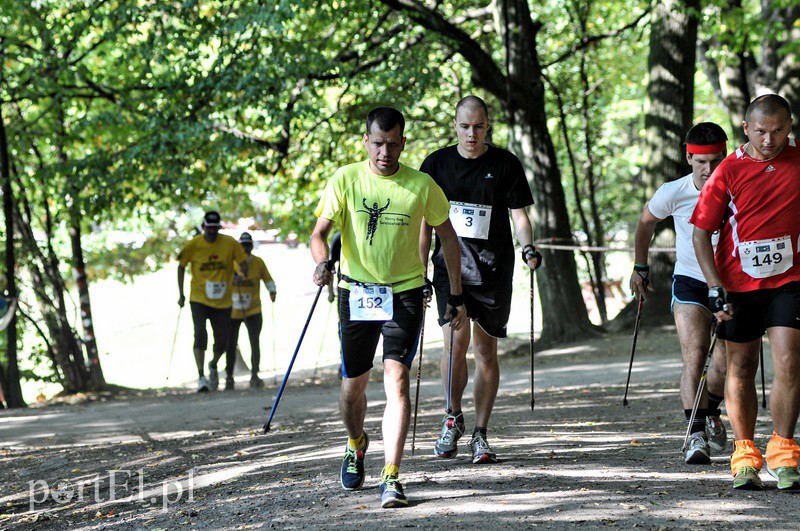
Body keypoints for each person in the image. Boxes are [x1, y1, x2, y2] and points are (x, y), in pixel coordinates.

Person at [310, 107, 467, 509]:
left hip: (405, 293)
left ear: (403, 143)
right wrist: (322, 263)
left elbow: (449, 238)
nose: (385, 152)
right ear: (366, 141)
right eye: (378, 143)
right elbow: (319, 234)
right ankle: (355, 443)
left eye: (393, 144)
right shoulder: (345, 178)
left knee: (397, 380)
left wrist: (455, 294)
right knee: (353, 388)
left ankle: (391, 475)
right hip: (357, 293)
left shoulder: (422, 185)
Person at [419, 95, 542, 465]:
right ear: (455, 126)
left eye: (478, 126)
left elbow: (519, 215)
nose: (471, 133)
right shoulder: (436, 164)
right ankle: (452, 417)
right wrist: (419, 270)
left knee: (486, 351)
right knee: (455, 344)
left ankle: (480, 432)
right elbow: (424, 225)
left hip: (492, 269)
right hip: (449, 269)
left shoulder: (506, 163)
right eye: (465, 126)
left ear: (488, 126)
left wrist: (528, 247)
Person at [692, 94, 800, 491]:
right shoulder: (728, 170)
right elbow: (701, 233)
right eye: (760, 132)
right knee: (741, 368)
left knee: (789, 362)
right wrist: (714, 287)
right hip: (738, 284)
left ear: (790, 127)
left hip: (790, 280)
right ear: (745, 128)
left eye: (778, 131)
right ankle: (745, 457)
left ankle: (784, 454)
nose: (769, 140)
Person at [630, 122, 729, 465]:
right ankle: (695, 435)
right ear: (689, 158)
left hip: (732, 284)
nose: (709, 170)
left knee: (725, 365)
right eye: (701, 162)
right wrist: (640, 267)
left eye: (716, 161)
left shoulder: (740, 187)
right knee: (695, 356)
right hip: (690, 281)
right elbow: (646, 223)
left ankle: (711, 410)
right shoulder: (673, 191)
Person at [177, 211, 248, 393]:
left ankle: (213, 364)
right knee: (200, 334)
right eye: (209, 228)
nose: (212, 232)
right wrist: (181, 294)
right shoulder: (193, 245)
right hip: (199, 298)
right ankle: (201, 376)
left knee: (223, 340)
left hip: (223, 300)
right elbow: (181, 266)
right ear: (203, 227)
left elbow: (243, 262)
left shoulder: (230, 244)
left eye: (216, 228)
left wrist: (240, 275)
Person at [225, 232, 277, 390]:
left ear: (252, 246)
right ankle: (229, 377)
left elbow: (268, 279)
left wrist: (272, 291)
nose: (245, 249)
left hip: (253, 309)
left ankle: (255, 374)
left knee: (254, 342)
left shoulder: (258, 262)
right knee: (230, 343)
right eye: (242, 246)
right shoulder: (231, 263)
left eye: (247, 245)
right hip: (233, 311)